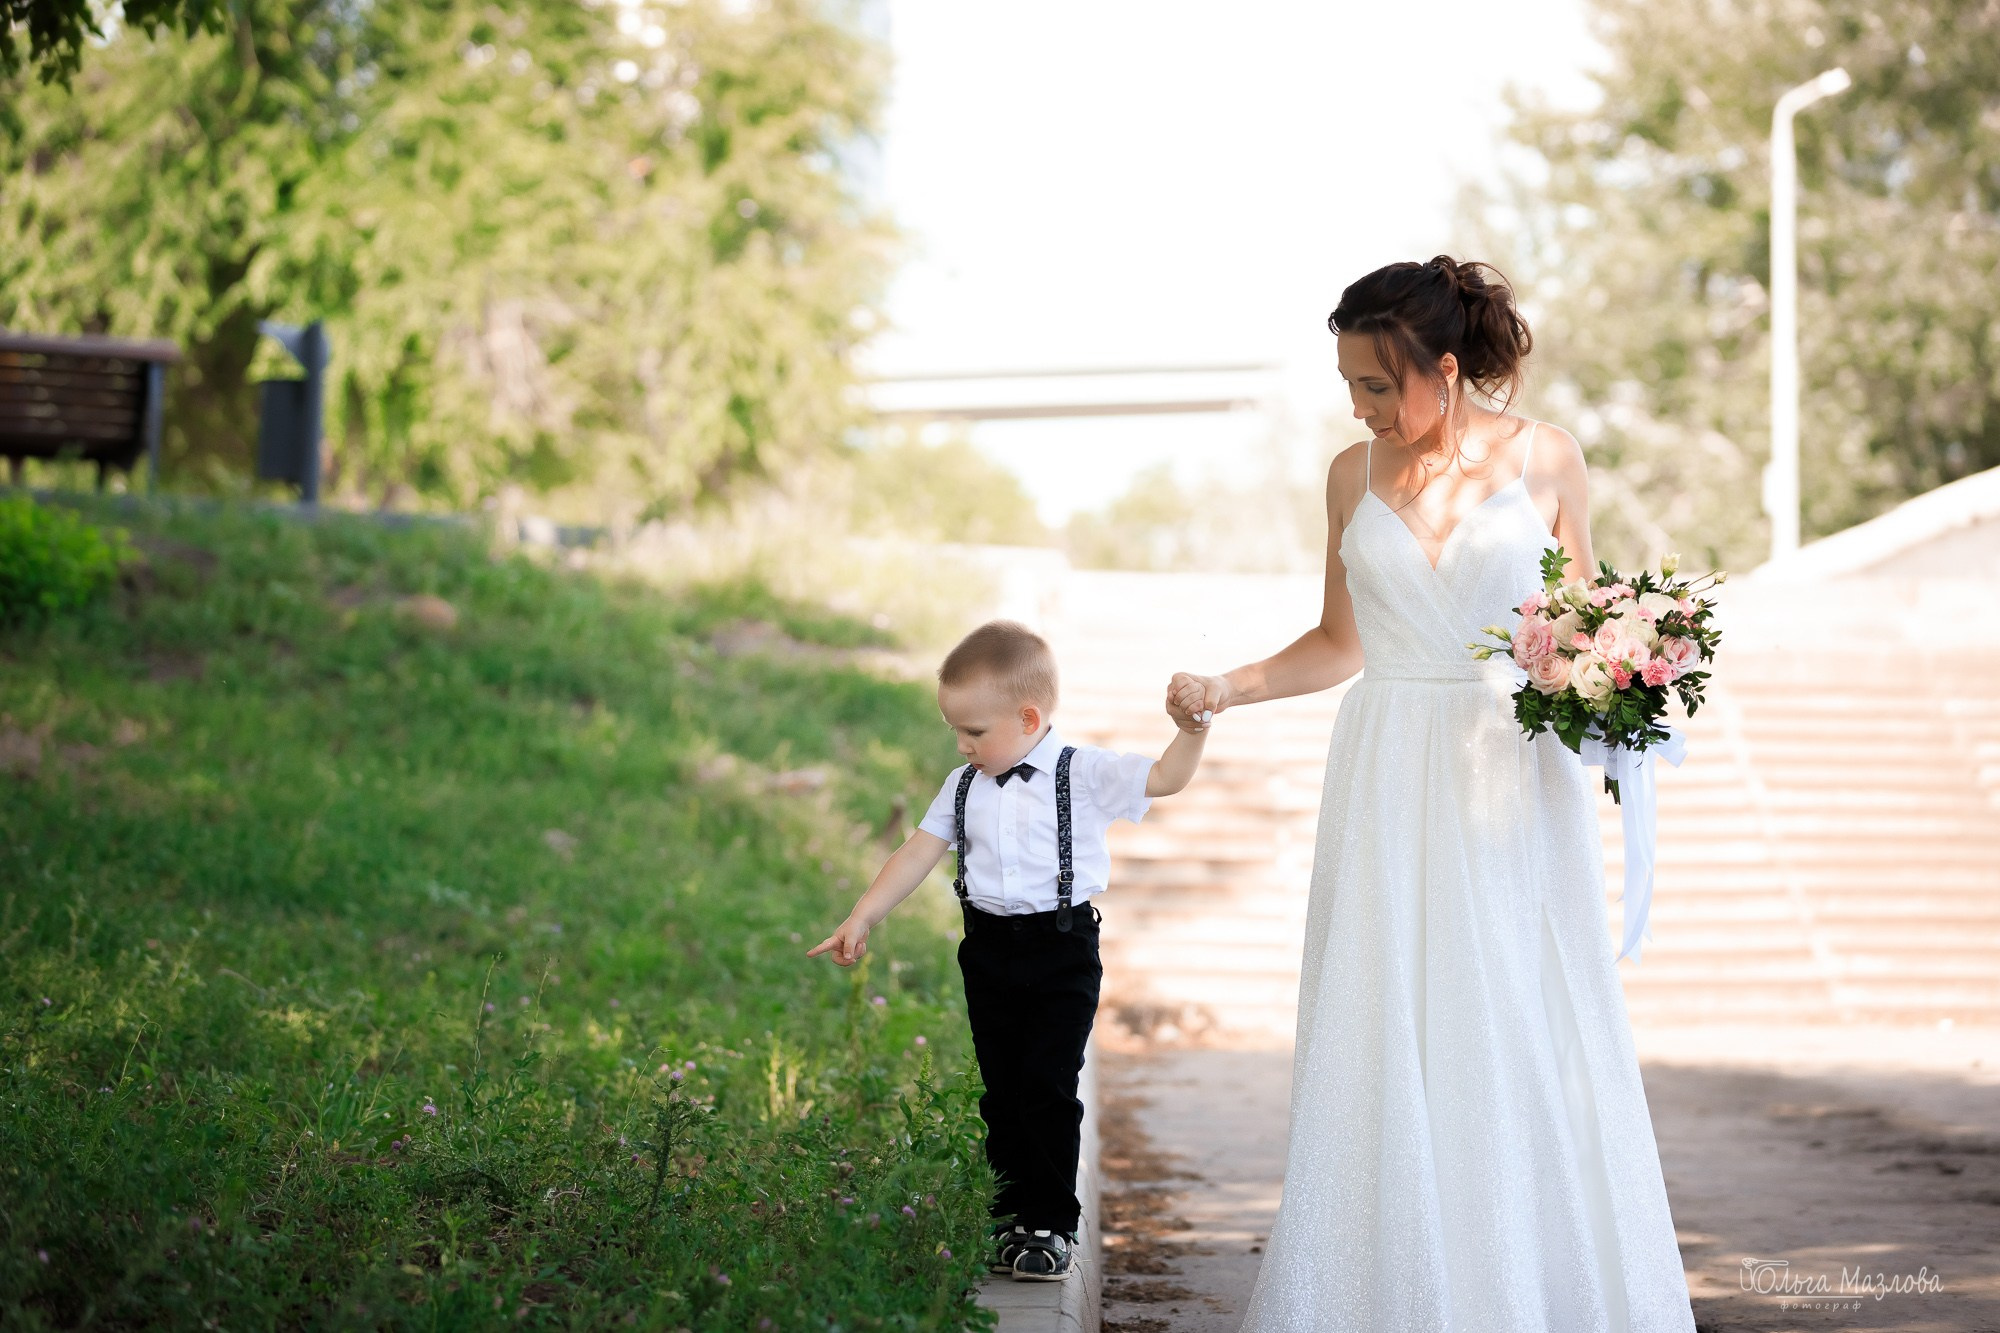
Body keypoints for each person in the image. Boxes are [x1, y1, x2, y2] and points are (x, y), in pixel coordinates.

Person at [1166, 257, 1697, 1331]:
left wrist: (1619, 669)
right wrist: (1226, 686)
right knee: (1385, 1014)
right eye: (1348, 386)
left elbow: (1582, 622)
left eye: (1375, 384)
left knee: (1514, 1014)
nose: (1359, 407)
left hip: (1507, 776)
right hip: (1386, 773)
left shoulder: (1547, 458)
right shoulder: (1348, 475)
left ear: (1444, 370)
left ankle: (1527, 1287)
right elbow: (1338, 642)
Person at [809, 618, 1209, 1282]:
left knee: (1047, 1085)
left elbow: (1166, 777)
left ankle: (1049, 1224)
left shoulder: (1084, 773)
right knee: (1002, 1091)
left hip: (1061, 949)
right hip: (987, 949)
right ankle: (1009, 1216)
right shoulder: (962, 784)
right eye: (955, 731)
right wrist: (863, 915)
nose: (961, 745)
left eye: (973, 732)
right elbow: (917, 852)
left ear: (1028, 718)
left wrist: (1191, 730)